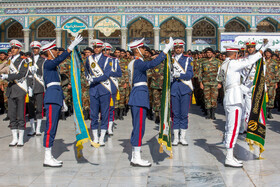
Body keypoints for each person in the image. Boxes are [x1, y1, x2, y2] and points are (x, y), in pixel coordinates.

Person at [216, 42, 268, 168]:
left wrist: (247, 89)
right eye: (238, 53)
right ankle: (229, 157)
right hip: (234, 99)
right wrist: (262, 50)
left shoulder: (223, 64)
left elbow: (227, 81)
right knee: (233, 128)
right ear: (235, 53)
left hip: (229, 95)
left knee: (230, 127)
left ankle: (230, 155)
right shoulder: (233, 63)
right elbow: (249, 61)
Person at [127, 37, 173, 167]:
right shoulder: (138, 62)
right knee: (139, 127)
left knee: (138, 126)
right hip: (139, 97)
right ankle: (136, 157)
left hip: (137, 96)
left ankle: (135, 154)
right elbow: (151, 65)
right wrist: (166, 50)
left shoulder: (135, 62)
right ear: (137, 50)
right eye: (142, 48)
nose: (144, 50)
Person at [42, 35, 83, 167]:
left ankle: (50, 155)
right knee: (50, 127)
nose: (56, 51)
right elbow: (60, 59)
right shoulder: (48, 63)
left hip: (56, 97)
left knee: (53, 127)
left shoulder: (53, 67)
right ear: (48, 52)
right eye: (54, 50)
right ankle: (47, 157)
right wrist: (70, 47)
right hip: (52, 98)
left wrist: (62, 100)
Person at [0, 40, 29, 147]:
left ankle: (21, 138)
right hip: (11, 90)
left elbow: (21, 74)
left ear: (19, 49)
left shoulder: (24, 61)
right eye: (12, 48)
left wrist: (7, 77)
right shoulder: (9, 60)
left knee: (20, 114)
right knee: (12, 114)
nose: (13, 49)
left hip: (20, 89)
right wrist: (5, 61)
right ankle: (14, 138)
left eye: (15, 48)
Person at [85, 39, 112, 146]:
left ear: (102, 48)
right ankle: (95, 137)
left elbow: (106, 74)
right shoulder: (89, 59)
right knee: (93, 114)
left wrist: (94, 79)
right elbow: (86, 70)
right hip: (93, 90)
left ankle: (102, 138)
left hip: (104, 89)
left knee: (105, 114)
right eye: (95, 47)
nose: (96, 49)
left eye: (98, 47)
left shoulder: (107, 59)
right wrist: (88, 77)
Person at [171, 39, 193, 146]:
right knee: (175, 114)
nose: (178, 49)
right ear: (174, 49)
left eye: (180, 47)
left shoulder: (188, 59)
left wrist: (180, 75)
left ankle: (183, 137)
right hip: (174, 89)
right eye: (176, 48)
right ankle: (175, 137)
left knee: (184, 114)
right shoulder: (170, 60)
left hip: (185, 88)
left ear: (182, 48)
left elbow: (190, 75)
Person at [27, 41, 46, 136]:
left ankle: (38, 129)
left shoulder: (43, 60)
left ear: (39, 49)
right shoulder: (28, 60)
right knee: (30, 108)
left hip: (39, 86)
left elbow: (44, 73)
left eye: (37, 49)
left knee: (39, 108)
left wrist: (37, 71)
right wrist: (28, 86)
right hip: (30, 87)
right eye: (33, 49)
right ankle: (32, 129)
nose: (35, 50)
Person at [104, 43, 122, 135]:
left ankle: (109, 127)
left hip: (111, 85)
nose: (106, 52)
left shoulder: (114, 61)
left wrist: (109, 73)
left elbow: (119, 73)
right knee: (102, 108)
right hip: (101, 86)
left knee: (111, 107)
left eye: (107, 50)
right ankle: (103, 125)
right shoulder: (96, 60)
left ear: (110, 51)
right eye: (104, 50)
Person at [239, 40, 257, 134]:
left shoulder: (259, 59)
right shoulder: (244, 59)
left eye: (252, 47)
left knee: (253, 108)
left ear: (255, 48)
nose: (250, 49)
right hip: (245, 87)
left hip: (255, 86)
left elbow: (263, 73)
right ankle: (243, 127)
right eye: (249, 47)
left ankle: (252, 127)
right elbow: (240, 73)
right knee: (244, 107)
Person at [199, 47, 221, 119]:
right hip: (206, 83)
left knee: (214, 98)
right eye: (207, 53)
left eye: (210, 53)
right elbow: (200, 73)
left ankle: (213, 114)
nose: (208, 54)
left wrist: (219, 82)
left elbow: (220, 73)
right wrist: (200, 83)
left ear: (212, 53)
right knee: (207, 98)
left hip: (214, 83)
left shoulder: (217, 62)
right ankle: (208, 113)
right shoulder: (203, 62)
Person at [264, 48, 279, 119]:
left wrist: (276, 82)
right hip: (263, 82)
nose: (267, 54)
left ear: (271, 54)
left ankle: (269, 112)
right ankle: (264, 111)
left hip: (272, 82)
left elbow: (277, 73)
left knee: (271, 97)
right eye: (266, 53)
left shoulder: (274, 62)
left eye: (269, 53)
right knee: (263, 97)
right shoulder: (262, 61)